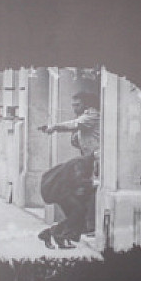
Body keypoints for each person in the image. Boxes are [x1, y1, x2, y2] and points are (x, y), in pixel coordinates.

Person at [37, 91, 101, 248]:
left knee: (84, 204)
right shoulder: (84, 118)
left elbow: (74, 124)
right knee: (80, 207)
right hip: (88, 163)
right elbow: (76, 139)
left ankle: (64, 232)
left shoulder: (92, 115)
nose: (74, 108)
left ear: (86, 104)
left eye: (77, 105)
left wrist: (54, 127)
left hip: (96, 161)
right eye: (73, 105)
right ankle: (62, 233)